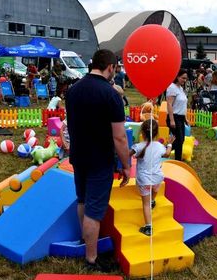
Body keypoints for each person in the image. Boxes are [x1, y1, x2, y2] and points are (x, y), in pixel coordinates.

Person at [66, 49, 130, 272]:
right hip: (99, 159)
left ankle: (86, 241)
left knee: (82, 201)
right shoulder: (111, 95)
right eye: (116, 68)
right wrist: (127, 166)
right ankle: (92, 258)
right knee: (94, 211)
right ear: (111, 67)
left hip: (78, 156)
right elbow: (120, 137)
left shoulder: (73, 90)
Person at [128, 120, 174, 236]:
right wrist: (169, 144)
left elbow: (127, 154)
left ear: (142, 133)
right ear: (157, 133)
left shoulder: (138, 146)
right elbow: (167, 154)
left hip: (145, 180)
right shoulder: (159, 146)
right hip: (157, 178)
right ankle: (153, 200)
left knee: (146, 204)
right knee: (155, 189)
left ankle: (148, 227)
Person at [166, 69, 188, 161]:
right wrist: (172, 120)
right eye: (183, 78)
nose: (184, 80)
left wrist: (185, 118)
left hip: (180, 117)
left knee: (181, 140)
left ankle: (165, 150)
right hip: (174, 117)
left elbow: (183, 105)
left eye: (186, 78)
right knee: (179, 141)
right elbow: (169, 104)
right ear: (177, 77)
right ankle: (176, 159)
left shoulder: (180, 88)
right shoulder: (172, 88)